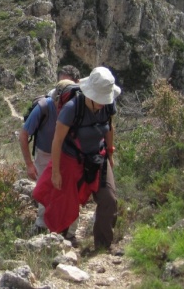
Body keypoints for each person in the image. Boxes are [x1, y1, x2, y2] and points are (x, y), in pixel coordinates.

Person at [32, 66, 121, 251]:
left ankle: (103, 247)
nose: (103, 104)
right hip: (70, 159)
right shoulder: (72, 109)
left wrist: (110, 153)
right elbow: (57, 141)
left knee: (109, 200)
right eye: (100, 99)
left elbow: (109, 128)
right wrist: (56, 172)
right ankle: (61, 246)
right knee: (65, 203)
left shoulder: (108, 105)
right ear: (89, 95)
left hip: (98, 157)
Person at [18, 64, 80, 237]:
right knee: (46, 189)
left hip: (69, 155)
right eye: (61, 84)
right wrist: (30, 165)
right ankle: (42, 227)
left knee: (70, 192)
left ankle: (69, 231)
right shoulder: (45, 106)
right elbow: (23, 135)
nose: (63, 90)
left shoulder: (81, 105)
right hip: (45, 154)